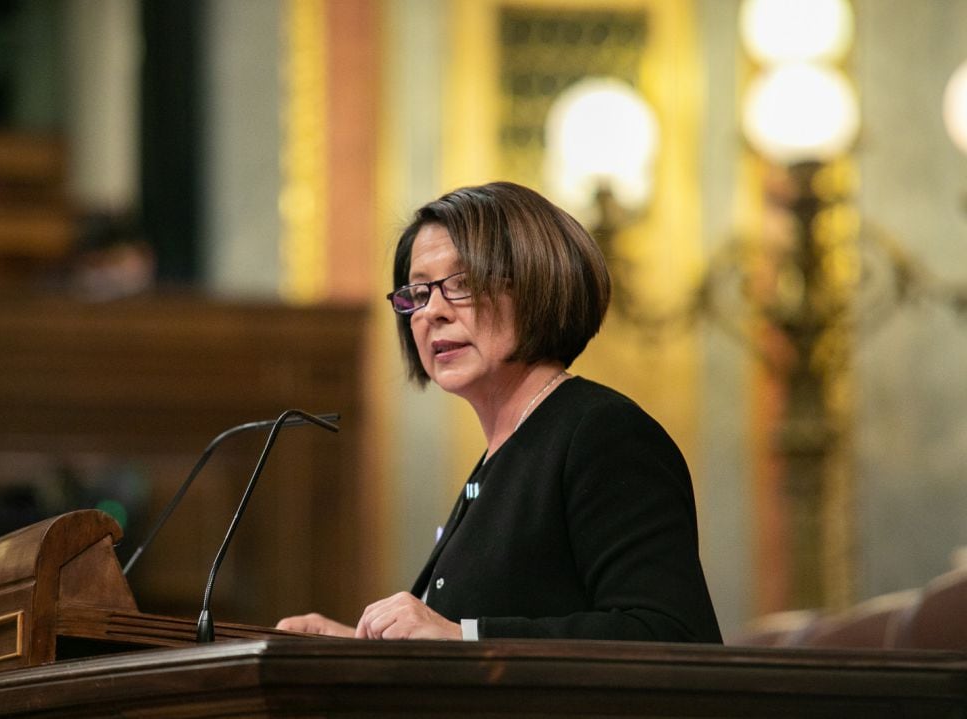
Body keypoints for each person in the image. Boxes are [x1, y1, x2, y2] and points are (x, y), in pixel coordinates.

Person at [277, 181, 722, 642]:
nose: (432, 312)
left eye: (463, 284)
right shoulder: (499, 458)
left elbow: (670, 634)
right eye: (417, 293)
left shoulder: (603, 433)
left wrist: (464, 637)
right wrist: (356, 646)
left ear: (537, 283)